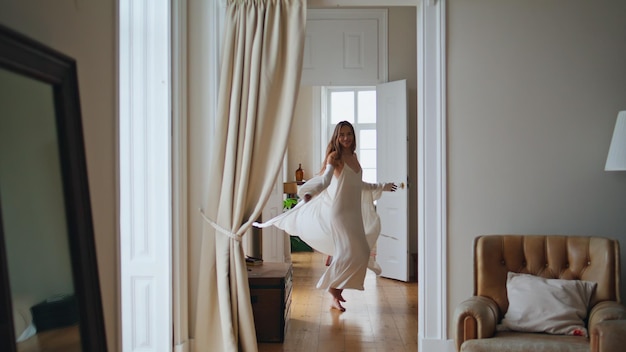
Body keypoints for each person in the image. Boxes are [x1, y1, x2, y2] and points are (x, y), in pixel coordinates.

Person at [254, 121, 396, 312]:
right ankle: (333, 289)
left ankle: (335, 292)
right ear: (336, 137)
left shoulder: (354, 157)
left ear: (353, 137)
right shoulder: (335, 157)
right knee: (353, 251)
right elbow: (325, 180)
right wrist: (311, 193)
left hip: (353, 213)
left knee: (359, 251)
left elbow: (358, 185)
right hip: (341, 213)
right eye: (342, 134)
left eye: (349, 134)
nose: (346, 138)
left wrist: (382, 187)